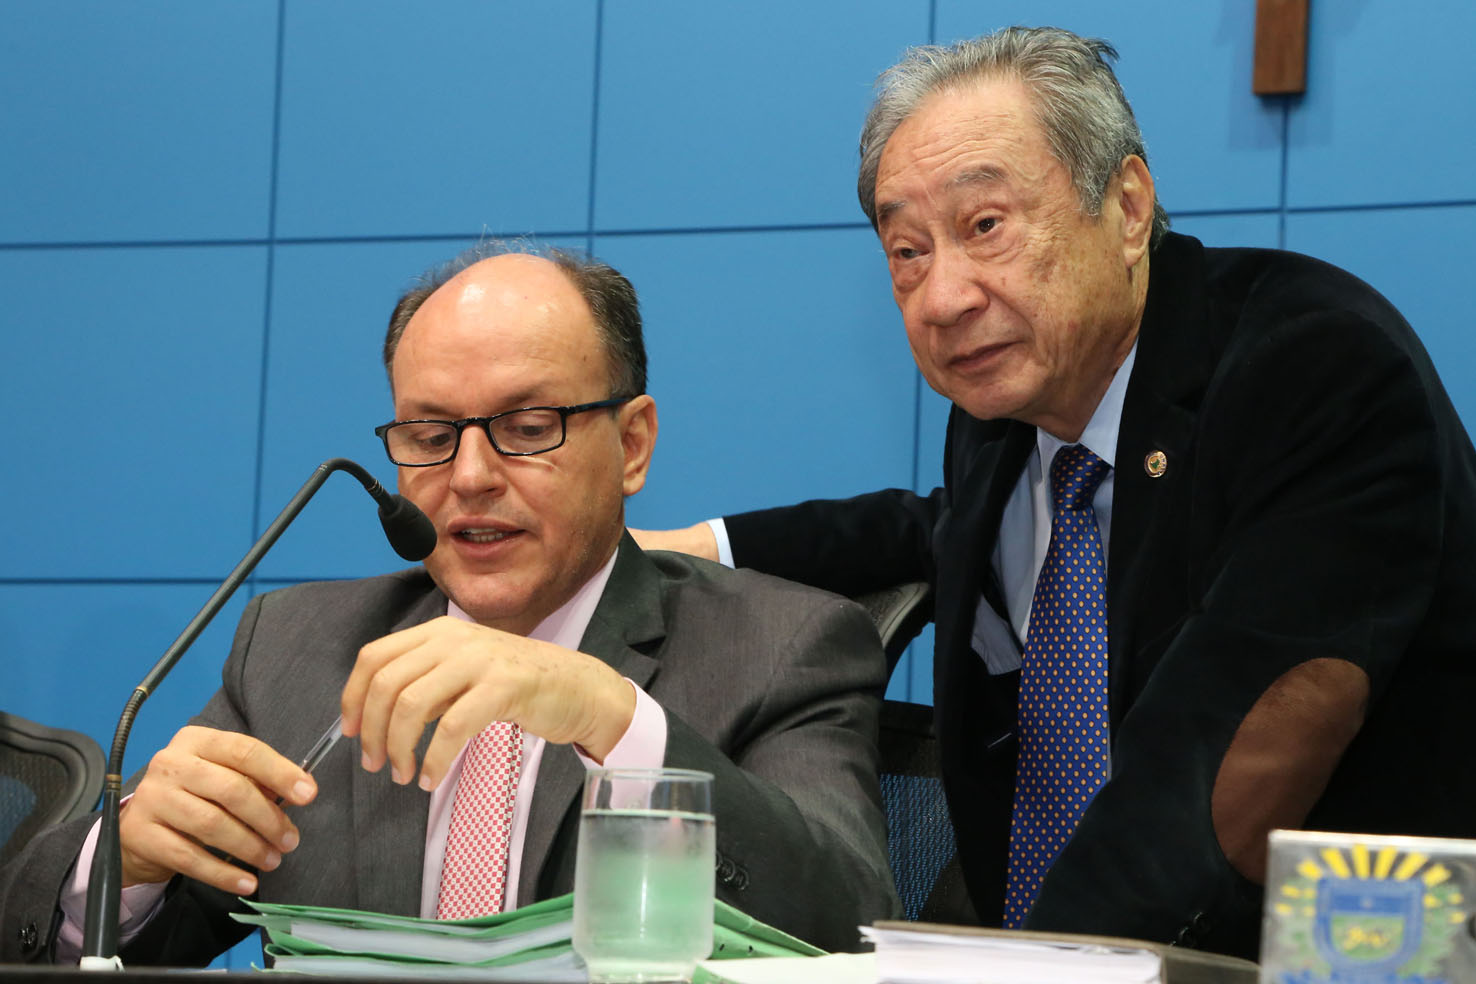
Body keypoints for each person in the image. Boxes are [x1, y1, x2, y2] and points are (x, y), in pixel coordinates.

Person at [635, 27, 1476, 958]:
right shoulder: (1013, 404)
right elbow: (941, 529)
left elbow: (1221, 766)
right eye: (907, 250)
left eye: (985, 226)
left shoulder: (1314, 370)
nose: (943, 298)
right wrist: (699, 546)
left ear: (1127, 207)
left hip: (1348, 951)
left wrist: (1032, 971)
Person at [0, 242, 900, 965]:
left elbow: (851, 927)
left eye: (527, 427)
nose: (469, 476)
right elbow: (50, 936)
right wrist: (127, 862)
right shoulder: (299, 647)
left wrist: (613, 718)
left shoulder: (783, 645)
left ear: (632, 445)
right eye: (430, 435)